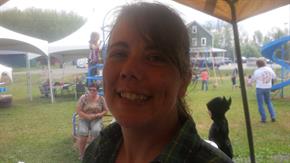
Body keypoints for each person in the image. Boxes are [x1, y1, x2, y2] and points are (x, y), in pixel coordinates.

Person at [83, 2, 233, 163]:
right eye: (119, 53)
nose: (129, 70)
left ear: (184, 80)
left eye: (154, 57)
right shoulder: (95, 152)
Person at [76, 83, 108, 160]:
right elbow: (78, 110)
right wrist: (87, 116)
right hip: (84, 118)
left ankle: (93, 153)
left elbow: (106, 110)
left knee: (96, 131)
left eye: (94, 90)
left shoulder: (101, 98)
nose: (92, 91)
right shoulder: (83, 98)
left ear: (97, 90)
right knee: (83, 132)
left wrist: (98, 115)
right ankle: (82, 154)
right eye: (90, 90)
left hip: (96, 119)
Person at [251, 59, 276, 123]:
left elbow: (253, 80)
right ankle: (273, 116)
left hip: (260, 88)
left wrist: (249, 82)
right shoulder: (269, 69)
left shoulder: (257, 71)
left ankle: (263, 118)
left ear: (257, 64)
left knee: (260, 104)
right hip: (268, 87)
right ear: (264, 63)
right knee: (268, 102)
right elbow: (274, 77)